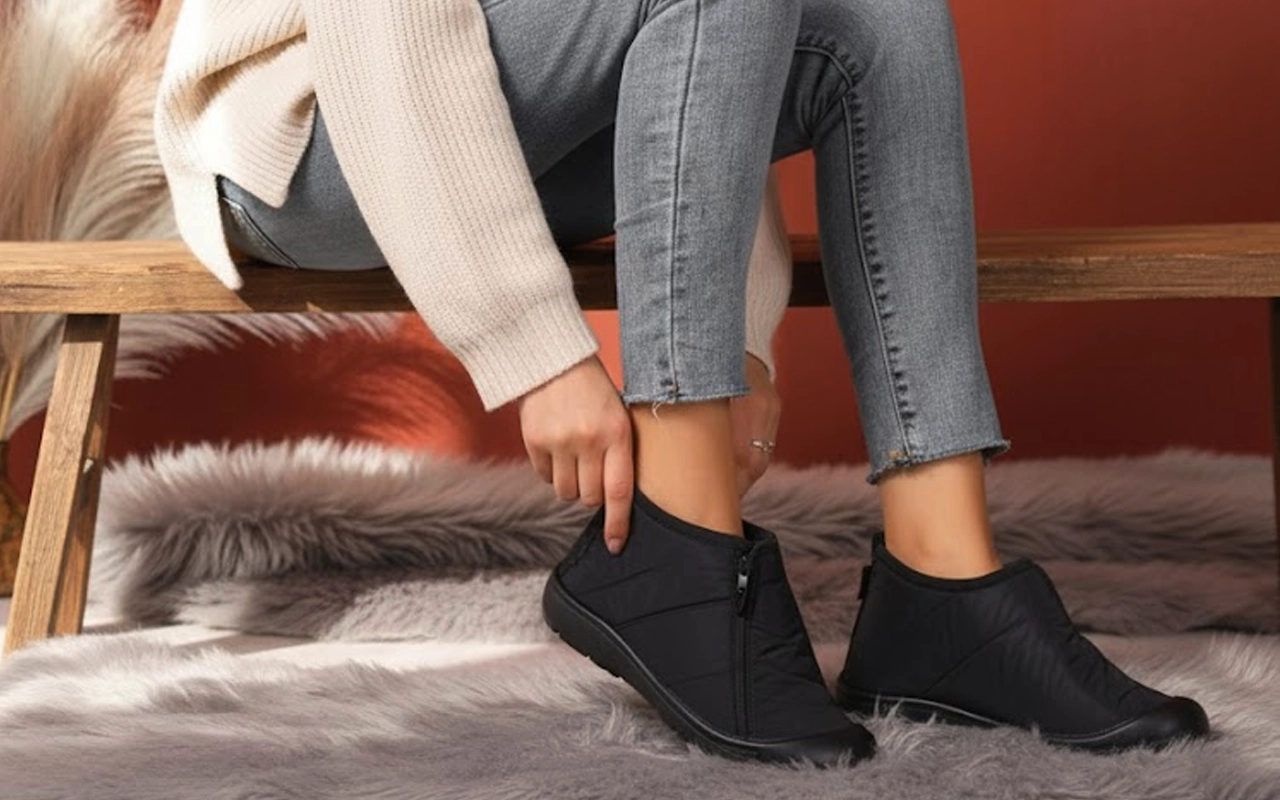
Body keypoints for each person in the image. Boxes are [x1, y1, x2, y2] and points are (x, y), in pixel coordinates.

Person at [156, 0, 1210, 767]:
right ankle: (680, 546)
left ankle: (944, 589)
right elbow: (390, 31)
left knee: (882, 19)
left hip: (515, 114)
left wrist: (735, 338)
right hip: (312, 134)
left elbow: (701, 57)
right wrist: (536, 346)